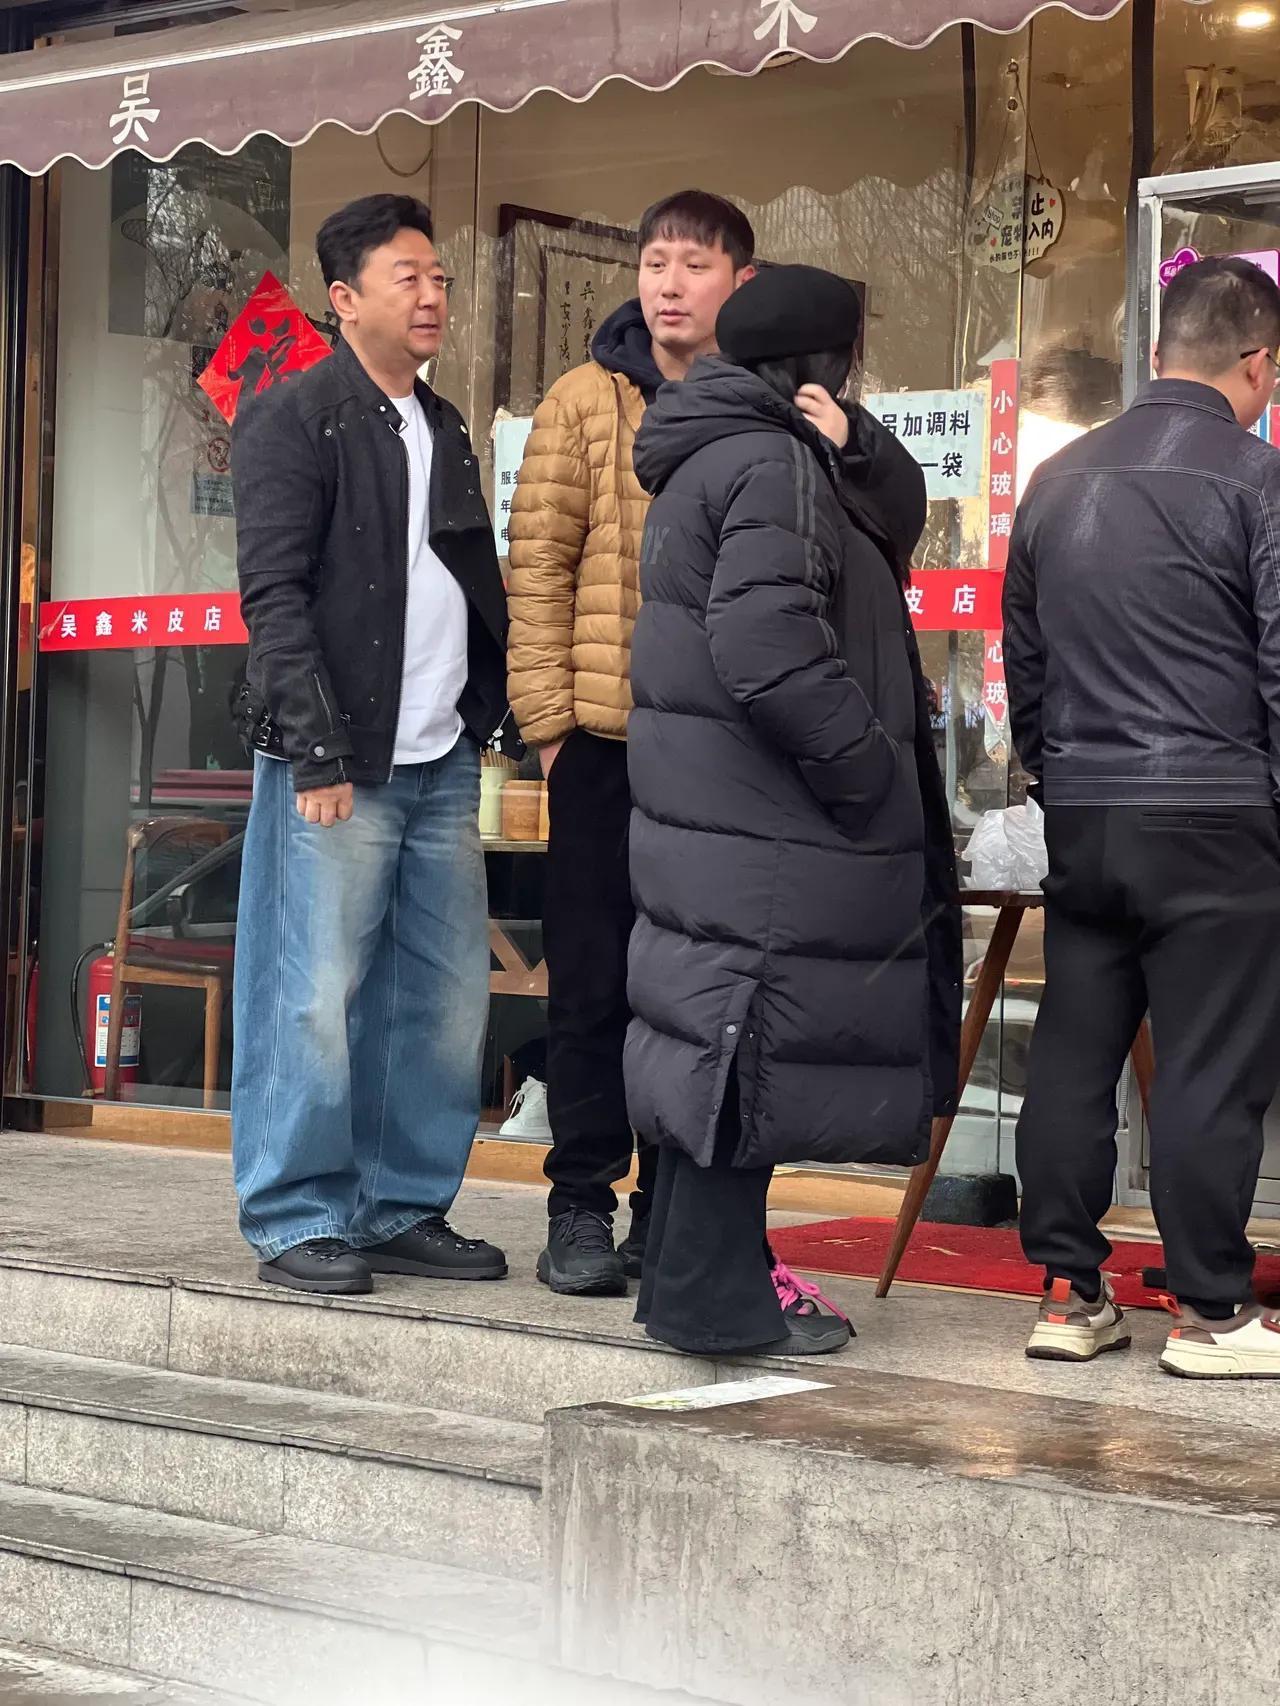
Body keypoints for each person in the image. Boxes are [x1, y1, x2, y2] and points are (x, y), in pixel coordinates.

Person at [624, 265, 961, 1356]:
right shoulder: (771, 464)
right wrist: (868, 771)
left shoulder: (734, 451)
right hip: (769, 820)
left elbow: (890, 525)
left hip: (722, 816)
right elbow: (767, 647)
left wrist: (854, 442)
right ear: (824, 360)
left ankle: (691, 1285)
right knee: (741, 1048)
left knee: (717, 1042)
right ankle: (718, 1304)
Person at [231, 194, 513, 1295]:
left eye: (439, 277)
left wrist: (486, 712)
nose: (433, 295)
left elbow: (463, 577)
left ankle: (401, 1204)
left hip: (439, 758)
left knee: (441, 999)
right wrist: (314, 749)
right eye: (410, 277)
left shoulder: (442, 423)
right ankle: (294, 1214)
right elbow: (273, 596)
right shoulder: (293, 417)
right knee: (311, 994)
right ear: (345, 299)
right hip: (336, 760)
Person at [1005, 255, 1280, 1376]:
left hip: (1084, 807)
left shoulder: (1055, 479)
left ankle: (1067, 1294)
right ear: (1257, 363)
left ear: (1159, 353)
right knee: (1209, 1061)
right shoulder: (1259, 480)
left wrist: (1054, 774)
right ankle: (1210, 1310)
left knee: (1075, 1049)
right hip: (1217, 813)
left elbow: (1021, 663)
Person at [507, 190, 756, 1296]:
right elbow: (536, 571)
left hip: (720, 755)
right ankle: (578, 1204)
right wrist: (551, 730)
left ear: (738, 283)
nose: (668, 283)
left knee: (696, 992)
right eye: (655, 262)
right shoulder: (582, 400)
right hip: (602, 746)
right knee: (591, 983)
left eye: (693, 264)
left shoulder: (759, 404)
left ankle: (670, 1211)